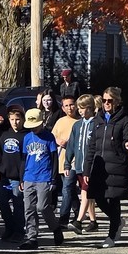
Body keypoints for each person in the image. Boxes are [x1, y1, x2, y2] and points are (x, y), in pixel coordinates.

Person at [83, 87, 128, 248]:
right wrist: (87, 169)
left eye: (110, 101)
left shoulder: (125, 118)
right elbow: (92, 146)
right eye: (105, 100)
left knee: (114, 200)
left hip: (117, 165)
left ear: (117, 101)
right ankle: (118, 221)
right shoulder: (98, 119)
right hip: (99, 166)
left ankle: (112, 236)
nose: (106, 104)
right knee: (98, 198)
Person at [18, 108, 63, 250]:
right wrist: (21, 179)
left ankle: (55, 228)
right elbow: (23, 159)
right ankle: (32, 237)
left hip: (44, 176)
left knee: (42, 206)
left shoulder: (49, 137)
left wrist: (54, 179)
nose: (34, 129)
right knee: (29, 208)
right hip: (29, 177)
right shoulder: (26, 138)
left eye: (36, 126)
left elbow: (54, 158)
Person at [65, 94, 99, 234]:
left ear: (90, 108)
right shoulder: (77, 125)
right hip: (79, 165)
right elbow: (71, 145)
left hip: (91, 166)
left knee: (85, 192)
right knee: (88, 194)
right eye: (78, 108)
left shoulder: (97, 123)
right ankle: (93, 221)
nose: (79, 110)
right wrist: (67, 163)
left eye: (82, 108)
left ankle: (78, 221)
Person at [0, 106, 26, 242]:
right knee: (1, 201)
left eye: (18, 119)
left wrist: (23, 177)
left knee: (18, 205)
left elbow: (26, 158)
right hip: (5, 177)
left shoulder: (26, 136)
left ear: (23, 120)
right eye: (12, 119)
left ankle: (19, 230)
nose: (15, 122)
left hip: (18, 178)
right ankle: (9, 226)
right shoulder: (5, 134)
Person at [52, 94, 80, 225]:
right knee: (70, 189)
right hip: (62, 159)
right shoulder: (60, 121)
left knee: (67, 188)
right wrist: (58, 141)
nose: (70, 108)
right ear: (63, 108)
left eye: (72, 104)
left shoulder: (80, 122)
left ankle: (63, 218)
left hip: (75, 161)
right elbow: (52, 136)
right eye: (66, 105)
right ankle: (79, 212)